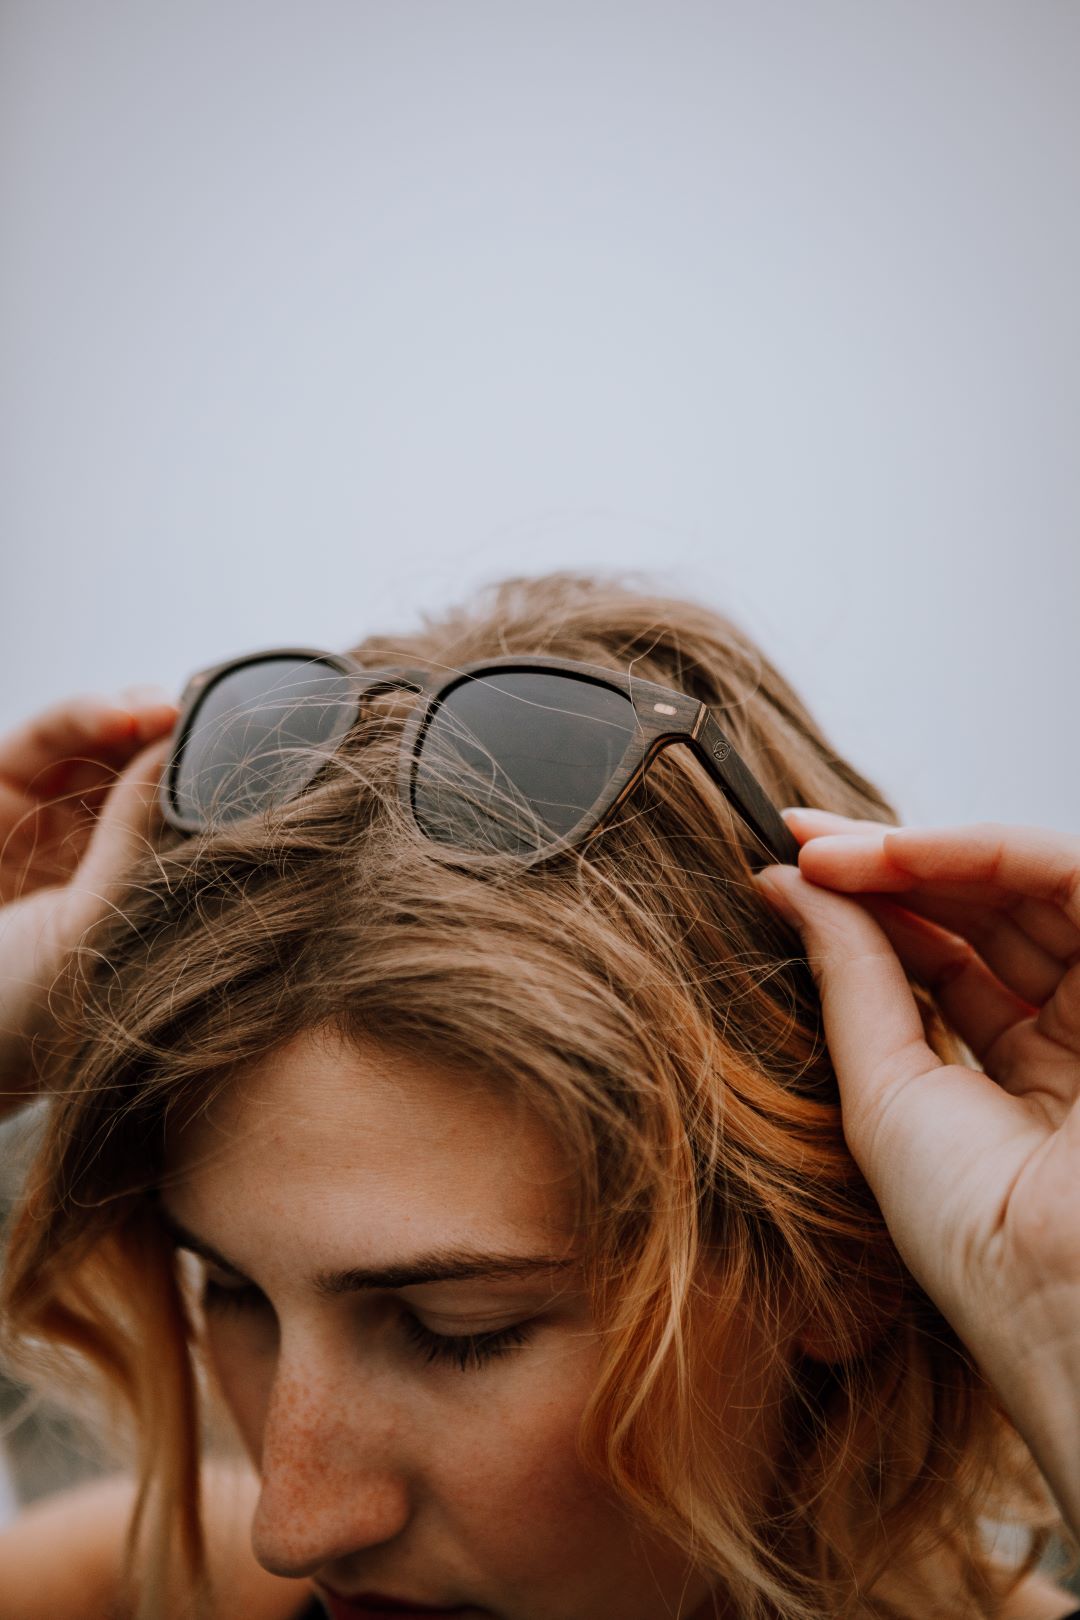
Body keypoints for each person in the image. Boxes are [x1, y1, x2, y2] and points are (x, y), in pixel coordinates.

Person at [0, 571, 1077, 1620]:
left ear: (838, 1266)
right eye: (233, 1293)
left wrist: (1056, 1315)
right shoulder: (129, 1594)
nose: (293, 1525)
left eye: (454, 1330)